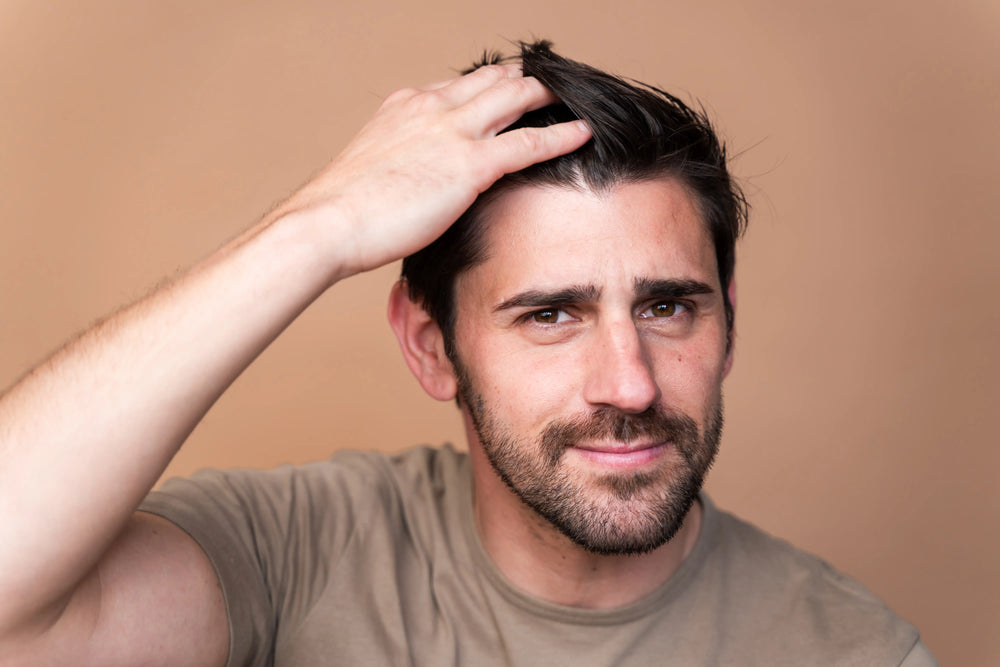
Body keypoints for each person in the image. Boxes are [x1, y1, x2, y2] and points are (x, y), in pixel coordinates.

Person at [0, 41, 935, 666]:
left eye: (666, 306)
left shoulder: (853, 651)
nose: (631, 382)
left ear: (726, 320)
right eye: (550, 315)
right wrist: (315, 231)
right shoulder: (296, 553)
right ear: (431, 345)